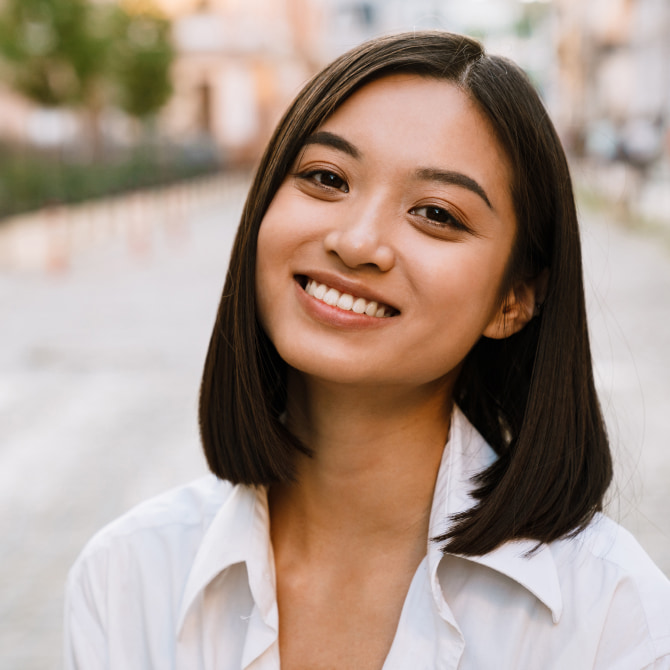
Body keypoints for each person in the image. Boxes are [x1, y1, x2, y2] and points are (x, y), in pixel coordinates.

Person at [64, 31, 670, 669]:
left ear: (512, 301)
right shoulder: (127, 579)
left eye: (436, 214)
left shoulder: (613, 619)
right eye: (326, 178)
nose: (356, 243)